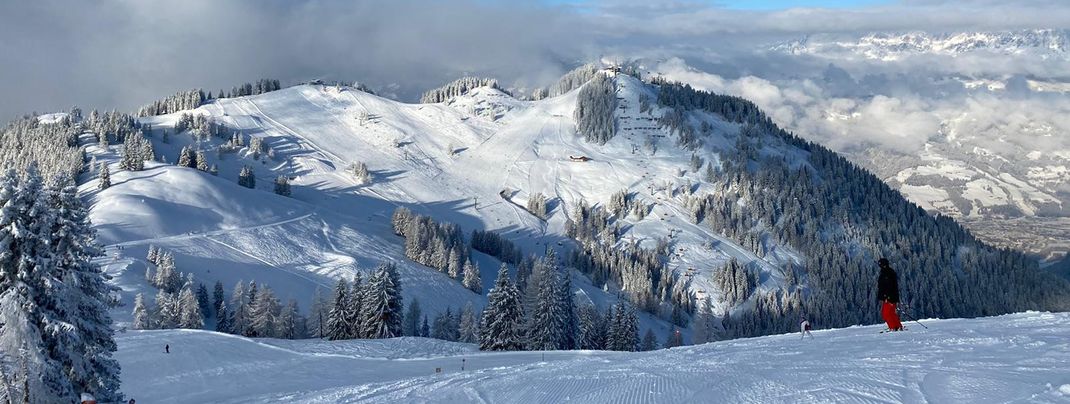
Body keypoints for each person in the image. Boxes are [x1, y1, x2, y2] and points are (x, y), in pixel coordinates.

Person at [876, 258, 903, 331]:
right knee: (891, 313)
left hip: (888, 297)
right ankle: (897, 326)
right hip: (892, 297)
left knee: (886, 313)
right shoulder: (889, 272)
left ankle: (892, 327)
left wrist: (886, 296)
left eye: (880, 264)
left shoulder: (886, 273)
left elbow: (888, 286)